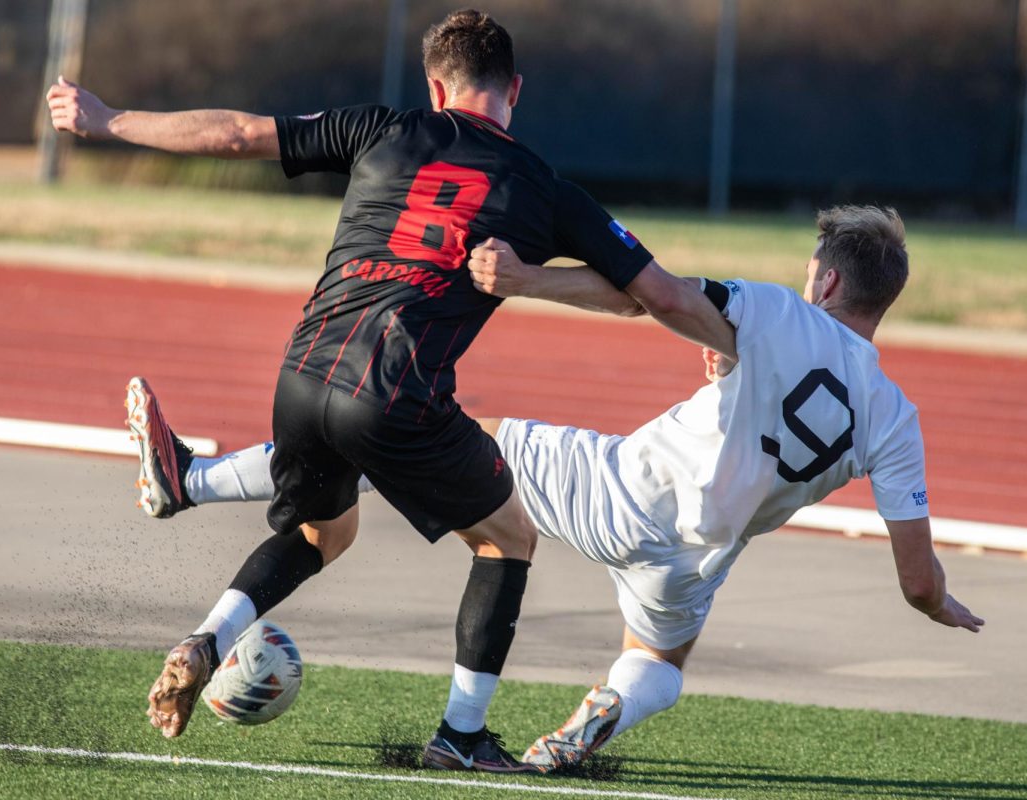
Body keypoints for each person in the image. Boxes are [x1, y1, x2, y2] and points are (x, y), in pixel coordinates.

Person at [48, 9, 718, 772]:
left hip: (301, 372)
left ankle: (204, 636)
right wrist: (543, 282)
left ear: (436, 87)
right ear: (516, 90)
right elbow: (649, 294)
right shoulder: (543, 190)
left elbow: (235, 134)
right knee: (508, 537)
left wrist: (106, 119)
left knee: (321, 533)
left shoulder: (379, 128)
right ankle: (460, 737)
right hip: (397, 390)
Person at [123, 205, 985, 772]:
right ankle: (598, 711)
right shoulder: (897, 418)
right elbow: (916, 580)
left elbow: (654, 296)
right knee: (659, 664)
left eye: (812, 272)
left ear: (827, 280)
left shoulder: (779, 310)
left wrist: (530, 280)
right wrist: (943, 605)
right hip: (698, 560)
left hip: (615, 489)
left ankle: (192, 477)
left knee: (427, 435)